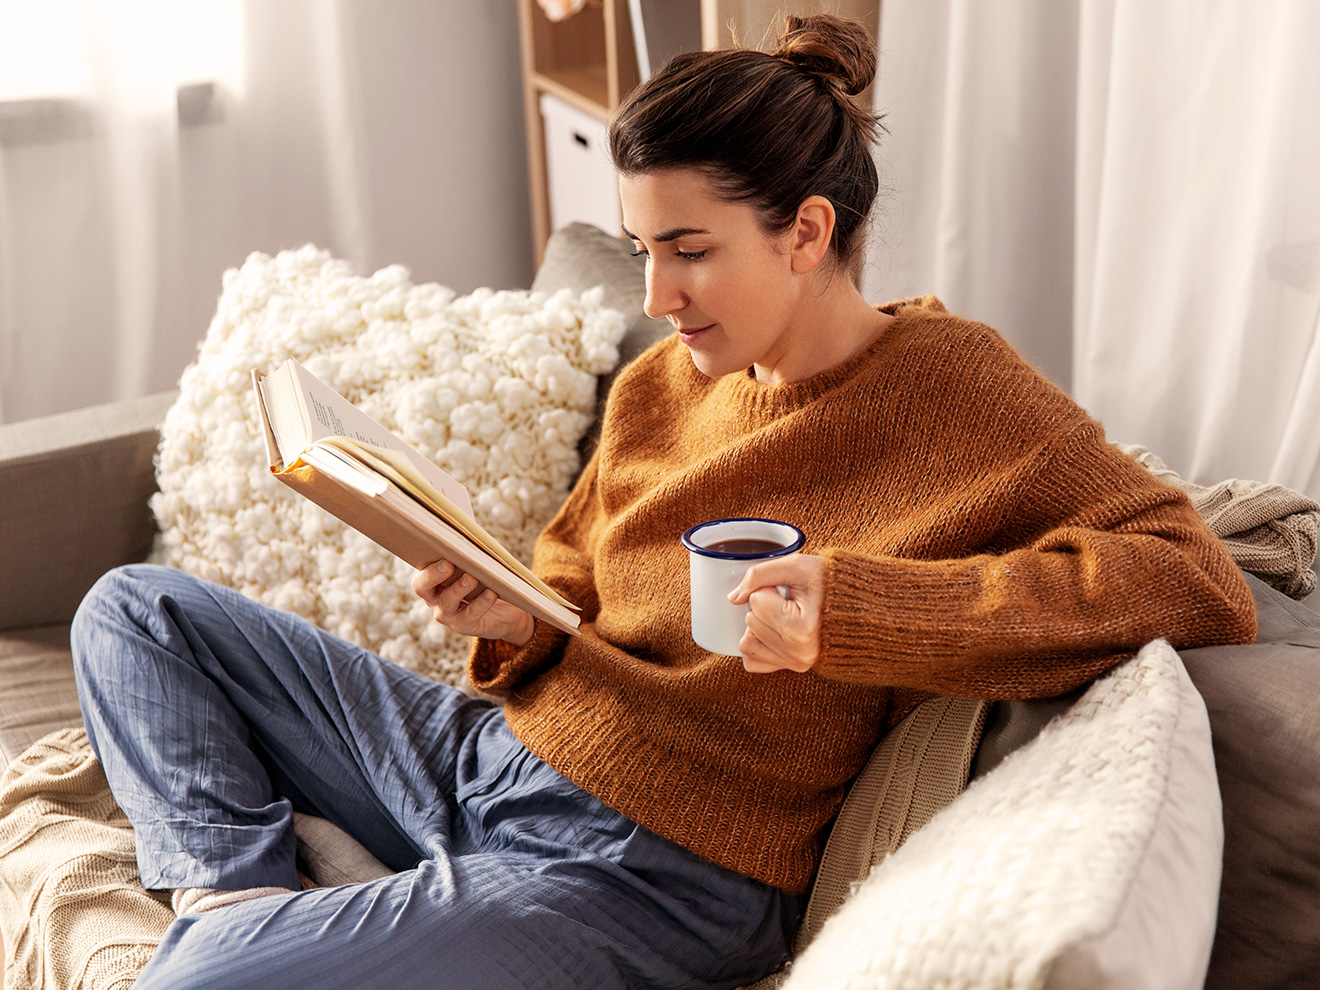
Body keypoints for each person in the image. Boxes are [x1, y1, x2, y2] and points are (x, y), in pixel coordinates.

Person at [70, 13, 1256, 990]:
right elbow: (577, 578)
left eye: (687, 250)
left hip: (654, 868)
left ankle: (267, 937)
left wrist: (858, 611)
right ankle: (242, 889)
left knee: (195, 985)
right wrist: (514, 617)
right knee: (134, 613)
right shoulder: (661, 385)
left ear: (806, 231)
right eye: (642, 251)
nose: (659, 293)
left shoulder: (955, 390)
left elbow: (1192, 573)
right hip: (492, 753)